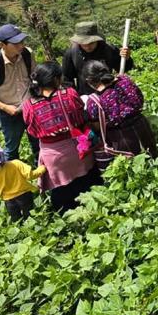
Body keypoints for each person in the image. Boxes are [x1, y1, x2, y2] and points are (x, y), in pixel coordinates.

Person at [22, 62, 102, 212]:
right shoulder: (69, 94)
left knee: (62, 195)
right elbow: (81, 118)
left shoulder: (29, 106)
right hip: (78, 149)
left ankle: (67, 225)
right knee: (88, 185)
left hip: (53, 157)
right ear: (57, 79)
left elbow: (32, 131)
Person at [0, 24, 39, 162]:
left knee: (38, 143)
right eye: (15, 43)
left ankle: (42, 176)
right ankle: (13, 177)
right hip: (9, 112)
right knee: (11, 149)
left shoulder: (28, 54)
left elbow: (35, 77)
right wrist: (5, 108)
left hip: (30, 107)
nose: (21, 45)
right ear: (2, 45)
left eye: (22, 41)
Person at [83, 60, 156, 160]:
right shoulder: (125, 81)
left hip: (122, 138)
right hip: (142, 127)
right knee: (154, 159)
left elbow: (97, 126)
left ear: (89, 81)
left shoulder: (94, 101)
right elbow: (140, 99)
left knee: (135, 169)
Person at [0, 142, 46, 221]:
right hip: (25, 196)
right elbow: (30, 175)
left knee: (16, 220)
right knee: (30, 217)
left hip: (9, 201)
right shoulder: (16, 163)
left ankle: (21, 232)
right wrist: (42, 168)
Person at [62, 21, 133, 95]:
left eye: (91, 43)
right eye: (83, 44)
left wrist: (126, 58)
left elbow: (123, 68)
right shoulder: (72, 53)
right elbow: (67, 79)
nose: (87, 47)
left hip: (109, 95)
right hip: (85, 96)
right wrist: (74, 96)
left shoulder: (109, 49)